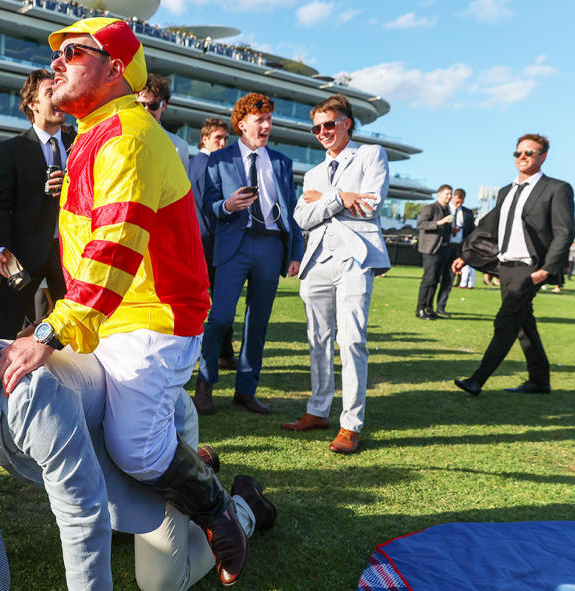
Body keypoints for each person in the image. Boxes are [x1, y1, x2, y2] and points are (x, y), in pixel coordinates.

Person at [0, 17, 249, 586]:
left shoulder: (127, 137)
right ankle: (181, 439)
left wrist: (47, 331)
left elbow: (113, 250)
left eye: (74, 52)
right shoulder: (94, 133)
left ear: (115, 70)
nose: (56, 61)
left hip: (153, 315)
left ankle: (217, 510)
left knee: (132, 450)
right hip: (111, 315)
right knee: (107, 426)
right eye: (56, 52)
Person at [0, 293, 276, 591]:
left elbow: (81, 512)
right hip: (104, 448)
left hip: (153, 432)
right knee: (115, 515)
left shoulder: (28, 398)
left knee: (160, 582)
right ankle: (196, 473)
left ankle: (241, 504)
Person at [281, 93, 390, 454]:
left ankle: (350, 424)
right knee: (318, 340)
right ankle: (317, 410)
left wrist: (325, 198)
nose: (322, 132)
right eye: (316, 128)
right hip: (317, 262)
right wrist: (339, 197)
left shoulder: (370, 154)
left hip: (356, 258)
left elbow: (369, 206)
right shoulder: (311, 172)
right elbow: (301, 218)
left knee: (352, 340)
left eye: (329, 124)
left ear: (347, 123)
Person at [194, 92, 303, 416]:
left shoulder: (282, 162)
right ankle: (205, 384)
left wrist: (295, 251)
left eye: (269, 119)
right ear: (242, 124)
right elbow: (209, 205)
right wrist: (227, 205)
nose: (267, 125)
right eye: (260, 120)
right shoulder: (219, 159)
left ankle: (246, 390)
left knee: (259, 323)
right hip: (234, 246)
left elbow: (293, 209)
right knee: (221, 318)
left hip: (271, 245)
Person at [453, 134, 574, 396]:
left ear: (543, 157)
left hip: (530, 269)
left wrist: (547, 269)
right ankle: (539, 381)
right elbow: (489, 227)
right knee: (523, 323)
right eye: (518, 153)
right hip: (505, 268)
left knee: (505, 322)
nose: (523, 157)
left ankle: (477, 380)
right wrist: (468, 255)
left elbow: (564, 232)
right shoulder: (506, 191)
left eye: (530, 153)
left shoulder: (557, 188)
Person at [0, 69, 74, 338]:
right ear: (33, 104)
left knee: (78, 327)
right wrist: (2, 247)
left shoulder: (81, 143)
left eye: (61, 91)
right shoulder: (12, 149)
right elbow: (1, 207)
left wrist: (71, 188)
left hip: (72, 254)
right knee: (4, 327)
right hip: (22, 255)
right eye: (51, 92)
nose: (59, 97)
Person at [188, 117, 235, 377]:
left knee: (220, 302)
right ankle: (219, 354)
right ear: (204, 139)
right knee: (218, 304)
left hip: (204, 242)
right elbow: (209, 207)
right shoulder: (204, 164)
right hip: (208, 243)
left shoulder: (198, 163)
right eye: (218, 138)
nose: (223, 143)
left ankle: (224, 353)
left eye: (226, 139)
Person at [415, 185, 454, 319]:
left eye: (450, 194)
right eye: (447, 194)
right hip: (430, 250)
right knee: (429, 279)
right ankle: (420, 309)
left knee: (436, 280)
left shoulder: (447, 209)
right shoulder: (430, 208)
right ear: (439, 194)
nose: (449, 197)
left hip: (442, 249)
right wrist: (439, 222)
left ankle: (428, 308)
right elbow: (421, 224)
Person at [137, 73, 190, 172]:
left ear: (163, 105)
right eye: (141, 105)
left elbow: (180, 186)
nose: (146, 110)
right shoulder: (120, 137)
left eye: (153, 105)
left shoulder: (179, 146)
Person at [437, 188, 475, 303]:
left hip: (457, 248)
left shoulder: (468, 213)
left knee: (449, 279)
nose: (458, 205)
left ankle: (441, 306)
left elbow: (471, 232)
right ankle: (427, 306)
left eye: (461, 202)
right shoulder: (444, 210)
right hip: (443, 246)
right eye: (457, 202)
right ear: (453, 197)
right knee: (435, 278)